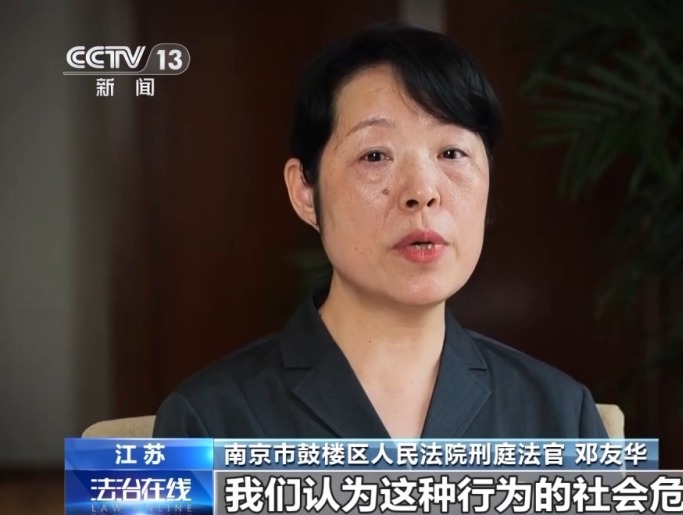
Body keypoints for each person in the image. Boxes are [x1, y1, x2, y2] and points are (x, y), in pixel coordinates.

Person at [152, 24, 608, 439]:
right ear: (305, 193)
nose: (422, 192)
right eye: (375, 156)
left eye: (451, 153)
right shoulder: (207, 420)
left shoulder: (562, 416)